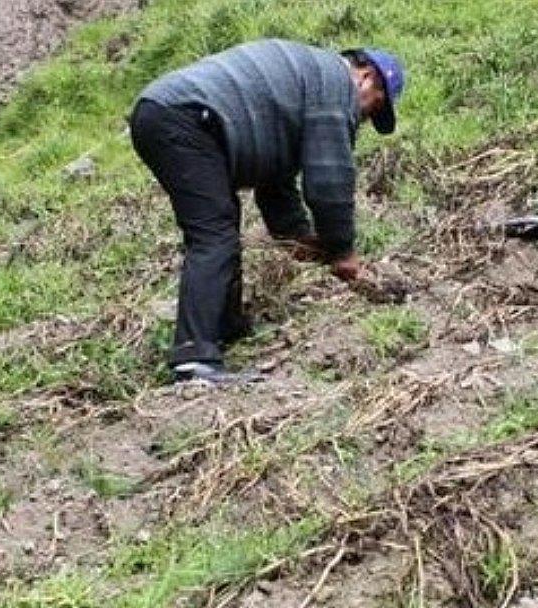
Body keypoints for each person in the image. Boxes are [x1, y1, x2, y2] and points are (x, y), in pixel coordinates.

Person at [130, 39, 405, 383]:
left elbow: (275, 181)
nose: (363, 119)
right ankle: (193, 360)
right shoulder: (335, 85)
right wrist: (342, 250)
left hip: (167, 113)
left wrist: (296, 236)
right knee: (213, 234)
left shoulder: (306, 84)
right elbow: (329, 180)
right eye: (373, 108)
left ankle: (225, 328)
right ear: (365, 78)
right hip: (185, 118)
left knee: (220, 225)